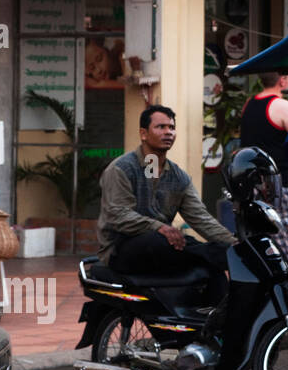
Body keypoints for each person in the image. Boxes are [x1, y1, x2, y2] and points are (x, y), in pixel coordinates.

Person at [97, 105, 235, 293]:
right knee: (164, 242)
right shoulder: (121, 169)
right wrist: (159, 227)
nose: (168, 132)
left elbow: (201, 219)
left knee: (215, 259)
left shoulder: (179, 177)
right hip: (121, 248)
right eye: (160, 127)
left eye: (171, 127)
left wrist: (233, 243)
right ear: (143, 133)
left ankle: (217, 319)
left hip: (164, 246)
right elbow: (118, 216)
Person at [240, 73, 288, 250]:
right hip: (279, 184)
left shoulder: (248, 104)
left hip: (251, 184)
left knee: (258, 238)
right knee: (286, 238)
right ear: (282, 80)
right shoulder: (282, 105)